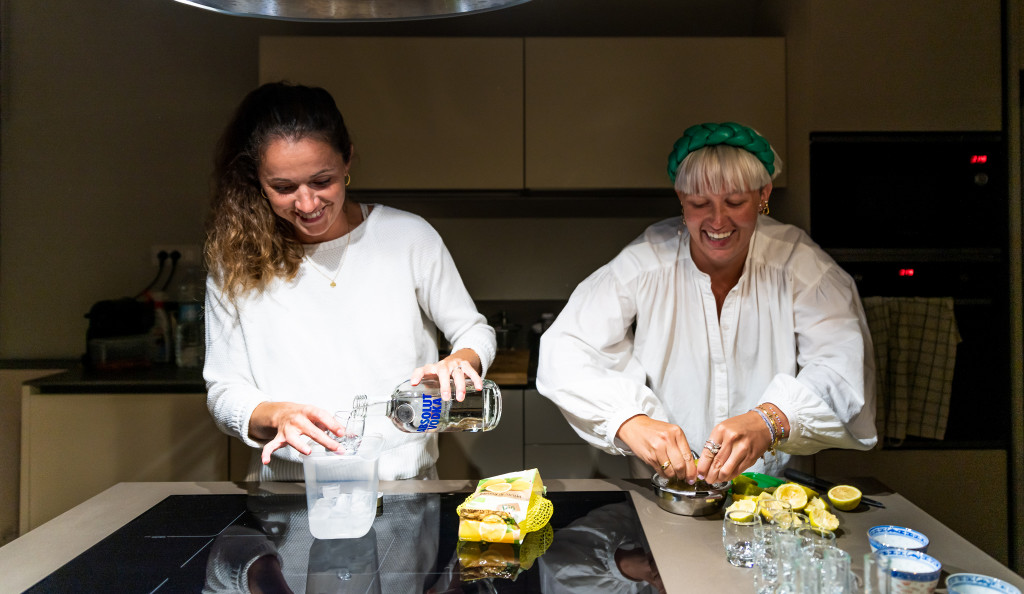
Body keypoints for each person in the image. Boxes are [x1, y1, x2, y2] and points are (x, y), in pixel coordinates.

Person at [536, 122, 877, 486]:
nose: (717, 221)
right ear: (681, 198)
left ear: (764, 194)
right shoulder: (645, 260)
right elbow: (567, 347)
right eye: (700, 204)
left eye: (735, 202)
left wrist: (772, 418)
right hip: (663, 491)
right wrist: (629, 419)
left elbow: (840, 366)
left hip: (772, 494)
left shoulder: (801, 265)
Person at [203, 82, 496, 482]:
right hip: (290, 497)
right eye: (284, 188)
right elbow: (224, 391)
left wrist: (459, 362)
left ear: (347, 161)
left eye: (322, 181)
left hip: (404, 489)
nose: (307, 205)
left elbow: (472, 330)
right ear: (256, 180)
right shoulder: (235, 260)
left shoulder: (407, 237)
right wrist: (277, 415)